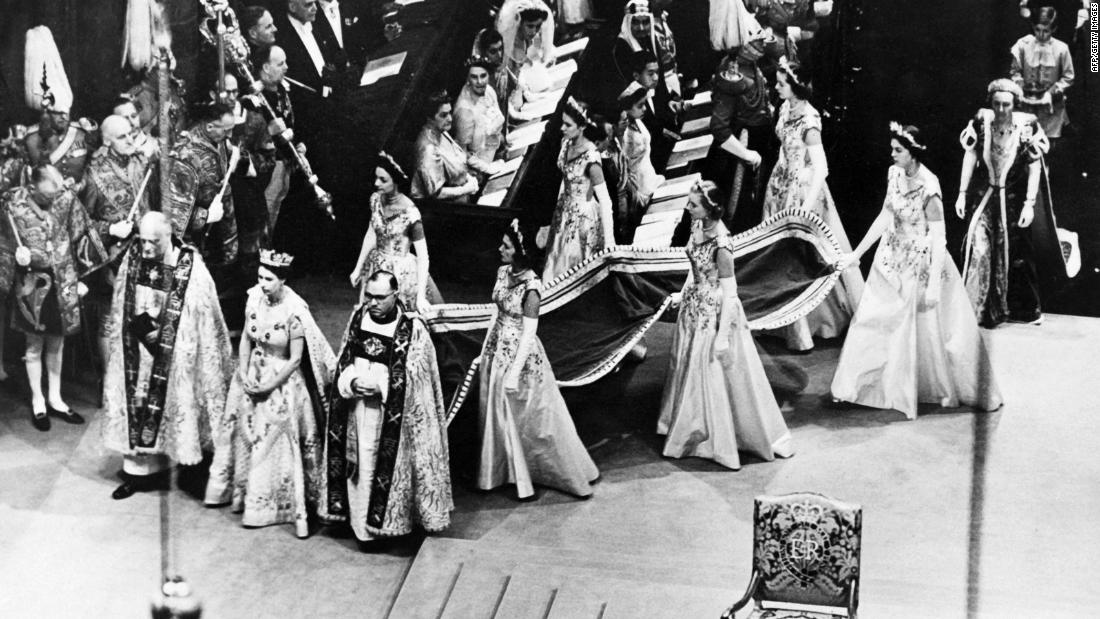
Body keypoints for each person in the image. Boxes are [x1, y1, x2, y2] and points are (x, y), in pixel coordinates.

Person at [831, 124, 1003, 419]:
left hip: (920, 263)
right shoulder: (894, 174)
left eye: (898, 150)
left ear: (913, 152)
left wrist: (934, 284)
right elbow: (886, 214)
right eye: (893, 149)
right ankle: (860, 386)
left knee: (918, 331)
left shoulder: (929, 186)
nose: (893, 154)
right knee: (872, 320)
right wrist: (857, 254)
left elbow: (939, 238)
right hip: (890, 260)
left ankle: (908, 390)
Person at [658, 181, 792, 469]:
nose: (687, 207)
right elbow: (694, 267)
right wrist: (682, 294)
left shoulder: (722, 244)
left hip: (715, 313)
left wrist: (722, 336)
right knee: (688, 368)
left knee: (713, 373)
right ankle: (686, 426)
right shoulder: (696, 227)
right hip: (694, 307)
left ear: (708, 210)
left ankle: (717, 439)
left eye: (693, 204)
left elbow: (731, 293)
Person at [100, 211, 234, 499]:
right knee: (138, 403)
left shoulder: (190, 266)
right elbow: (121, 300)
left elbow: (203, 314)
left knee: (180, 404)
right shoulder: (133, 257)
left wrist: (169, 335)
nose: (146, 248)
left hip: (177, 352)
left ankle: (189, 465)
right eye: (143, 240)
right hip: (141, 351)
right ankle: (141, 473)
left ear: (169, 236)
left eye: (153, 242)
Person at [204, 250, 336, 537]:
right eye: (260, 277)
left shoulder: (294, 312)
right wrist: (242, 372)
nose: (263, 284)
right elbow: (246, 341)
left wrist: (268, 385)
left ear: (283, 280)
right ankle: (240, 494)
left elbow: (296, 360)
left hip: (281, 382)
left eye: (269, 279)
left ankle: (276, 506)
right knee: (244, 435)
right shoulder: (254, 298)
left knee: (272, 443)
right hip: (252, 374)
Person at [320, 270, 453, 543]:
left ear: (395, 295)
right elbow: (344, 356)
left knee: (377, 464)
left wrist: (382, 386)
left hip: (391, 418)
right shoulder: (358, 317)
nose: (373, 302)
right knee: (360, 466)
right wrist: (351, 381)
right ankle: (361, 529)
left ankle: (385, 527)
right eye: (369, 295)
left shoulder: (412, 328)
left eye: (380, 297)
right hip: (356, 408)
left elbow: (417, 376)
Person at [479, 222, 599, 499]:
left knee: (532, 421)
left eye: (506, 246)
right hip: (496, 351)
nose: (500, 249)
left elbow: (529, 333)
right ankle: (502, 472)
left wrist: (513, 373)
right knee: (498, 415)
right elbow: (496, 313)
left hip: (520, 360)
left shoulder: (532, 287)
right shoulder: (502, 272)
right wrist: (487, 347)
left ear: (521, 251)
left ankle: (540, 473)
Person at [760, 58, 862, 351]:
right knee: (781, 255)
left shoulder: (809, 120)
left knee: (804, 255)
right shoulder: (785, 108)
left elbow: (821, 168)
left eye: (782, 83)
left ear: (796, 86)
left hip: (804, 189)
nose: (776, 88)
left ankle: (812, 326)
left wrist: (805, 204)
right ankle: (786, 323)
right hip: (781, 183)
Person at [0, 164, 105, 430]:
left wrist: (83, 277)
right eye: (47, 196)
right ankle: (38, 401)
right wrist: (14, 256)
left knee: (57, 343)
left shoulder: (65, 197)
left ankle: (56, 398)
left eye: (55, 194)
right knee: (33, 345)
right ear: (33, 188)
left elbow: (83, 233)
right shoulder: (12, 204)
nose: (53, 199)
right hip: (30, 283)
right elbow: (3, 242)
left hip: (64, 278)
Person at [956, 79, 1062, 327]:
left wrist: (1029, 203)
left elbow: (1035, 166)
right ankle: (976, 308)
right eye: (997, 104)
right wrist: (962, 192)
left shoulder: (1027, 126)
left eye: (1006, 104)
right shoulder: (982, 122)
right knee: (979, 248)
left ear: (1014, 105)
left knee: (1015, 254)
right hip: (984, 196)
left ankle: (1013, 309)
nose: (1001, 109)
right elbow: (970, 155)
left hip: (1011, 198)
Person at [80, 115, 158, 378]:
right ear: (107, 141)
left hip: (145, 251)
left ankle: (141, 374)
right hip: (112, 257)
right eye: (122, 137)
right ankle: (110, 380)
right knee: (108, 321)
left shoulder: (142, 162)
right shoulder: (94, 173)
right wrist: (110, 230)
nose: (129, 140)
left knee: (144, 312)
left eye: (131, 134)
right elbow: (82, 222)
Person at [163, 101, 241, 288]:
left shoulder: (219, 139)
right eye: (226, 130)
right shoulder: (185, 154)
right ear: (209, 126)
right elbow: (176, 208)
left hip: (221, 224)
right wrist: (205, 216)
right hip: (198, 230)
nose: (230, 135)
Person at [351, 153, 443, 311]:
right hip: (375, 266)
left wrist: (421, 297)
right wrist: (358, 268)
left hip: (401, 273)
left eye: (383, 180)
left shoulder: (410, 212)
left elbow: (423, 256)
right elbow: (371, 234)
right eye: (376, 178)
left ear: (396, 181)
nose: (376, 183)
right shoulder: (376, 200)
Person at [540, 98, 614, 283]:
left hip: (583, 219)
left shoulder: (591, 157)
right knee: (554, 267)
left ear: (581, 127)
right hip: (563, 214)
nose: (562, 128)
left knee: (574, 269)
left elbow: (605, 200)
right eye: (562, 123)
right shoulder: (566, 145)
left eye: (568, 125)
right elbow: (565, 181)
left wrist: (610, 243)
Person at [1010, 6, 1075, 140]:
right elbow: (1015, 72)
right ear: (1033, 27)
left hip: (1052, 109)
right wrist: (1021, 87)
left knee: (1048, 147)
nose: (1041, 35)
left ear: (1053, 29)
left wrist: (1051, 92)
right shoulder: (1023, 45)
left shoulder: (1062, 49)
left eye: (1046, 31)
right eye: (1037, 30)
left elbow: (1068, 77)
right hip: (1026, 105)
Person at [410, 91, 480, 200]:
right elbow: (436, 194)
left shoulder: (442, 131)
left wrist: (469, 178)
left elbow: (458, 161)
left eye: (450, 113)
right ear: (430, 118)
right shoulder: (428, 149)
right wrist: (467, 189)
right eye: (443, 115)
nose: (450, 119)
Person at [617, 84, 663, 242]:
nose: (644, 109)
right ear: (627, 109)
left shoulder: (637, 122)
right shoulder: (626, 135)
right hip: (639, 185)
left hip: (650, 175)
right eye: (640, 106)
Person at [453, 56, 506, 179]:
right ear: (467, 79)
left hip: (495, 155)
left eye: (483, 76)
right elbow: (462, 153)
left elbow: (496, 121)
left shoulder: (489, 91)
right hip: (478, 172)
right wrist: (487, 168)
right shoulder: (464, 112)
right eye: (474, 77)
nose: (480, 81)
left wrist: (497, 148)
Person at [496, 1, 555, 80]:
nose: (534, 31)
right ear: (519, 23)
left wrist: (543, 62)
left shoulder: (535, 38)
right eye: (530, 26)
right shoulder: (509, 44)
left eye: (538, 26)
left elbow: (538, 55)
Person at [472, 28, 513, 118]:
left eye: (500, 49)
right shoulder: (479, 80)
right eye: (493, 51)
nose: (499, 55)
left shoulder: (503, 70)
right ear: (483, 53)